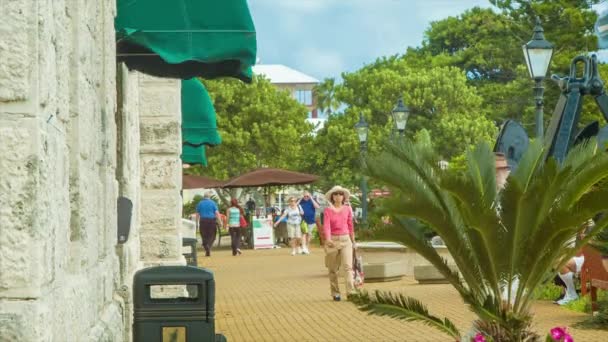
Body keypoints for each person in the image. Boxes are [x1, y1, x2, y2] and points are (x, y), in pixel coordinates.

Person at [323, 185, 356, 301]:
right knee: (333, 269)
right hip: (333, 240)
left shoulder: (347, 209)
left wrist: (353, 240)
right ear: (332, 196)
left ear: (343, 196)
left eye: (340, 194)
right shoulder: (328, 211)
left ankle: (351, 292)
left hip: (346, 239)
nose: (338, 196)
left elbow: (350, 225)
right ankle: (335, 292)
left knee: (348, 267)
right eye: (335, 194)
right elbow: (326, 226)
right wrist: (328, 239)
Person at [554, 219, 593, 305]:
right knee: (559, 262)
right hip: (583, 258)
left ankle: (571, 295)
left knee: (563, 262)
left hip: (592, 259)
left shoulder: (592, 228)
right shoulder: (579, 231)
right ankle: (570, 294)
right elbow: (578, 251)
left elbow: (595, 247)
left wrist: (587, 240)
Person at [196, 191, 221, 257]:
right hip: (211, 221)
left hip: (203, 220)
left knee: (203, 234)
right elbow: (217, 213)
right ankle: (208, 246)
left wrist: (196, 223)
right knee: (212, 235)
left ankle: (205, 245)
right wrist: (220, 221)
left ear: (204, 197)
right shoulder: (213, 203)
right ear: (209, 197)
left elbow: (197, 214)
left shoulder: (200, 203)